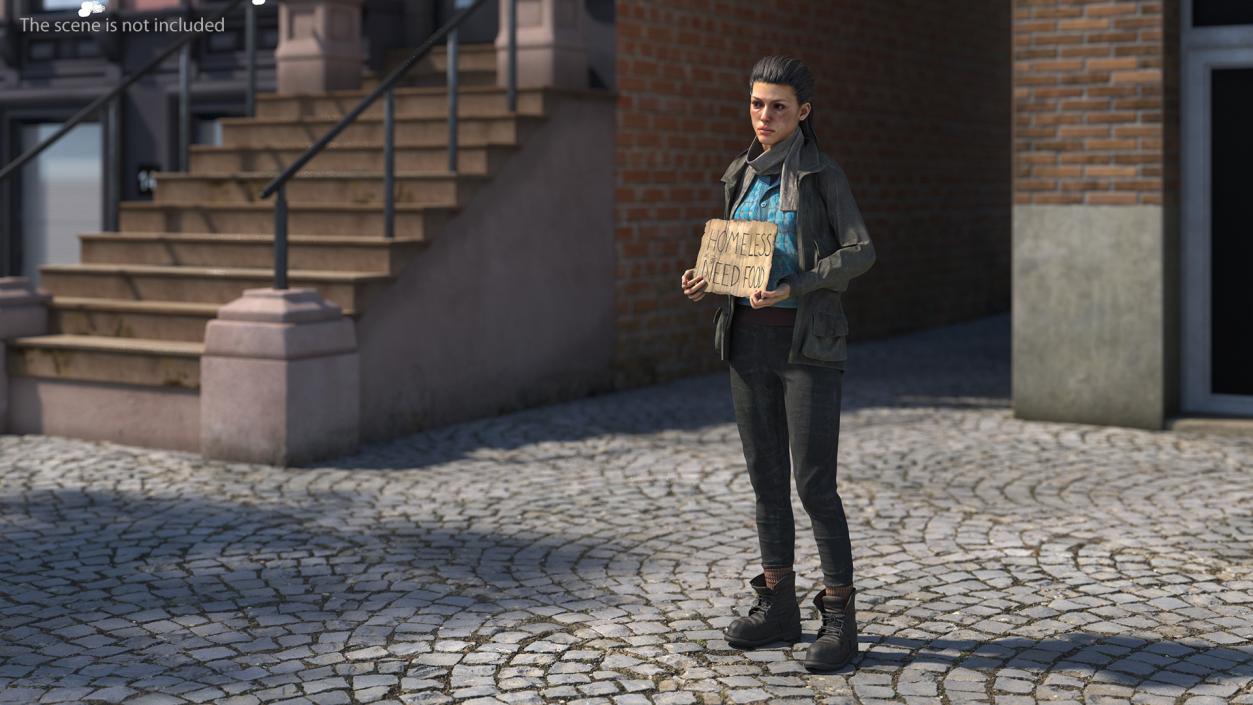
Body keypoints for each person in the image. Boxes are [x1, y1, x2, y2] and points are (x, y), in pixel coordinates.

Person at [680, 55, 876, 672]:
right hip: (746, 340)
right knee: (765, 476)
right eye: (757, 103)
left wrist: (798, 285)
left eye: (779, 106)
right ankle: (779, 606)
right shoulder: (740, 173)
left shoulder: (823, 175)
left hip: (807, 346)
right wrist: (705, 277)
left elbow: (861, 253)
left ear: (804, 112)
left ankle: (839, 616)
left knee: (814, 482)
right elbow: (738, 251)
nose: (764, 116)